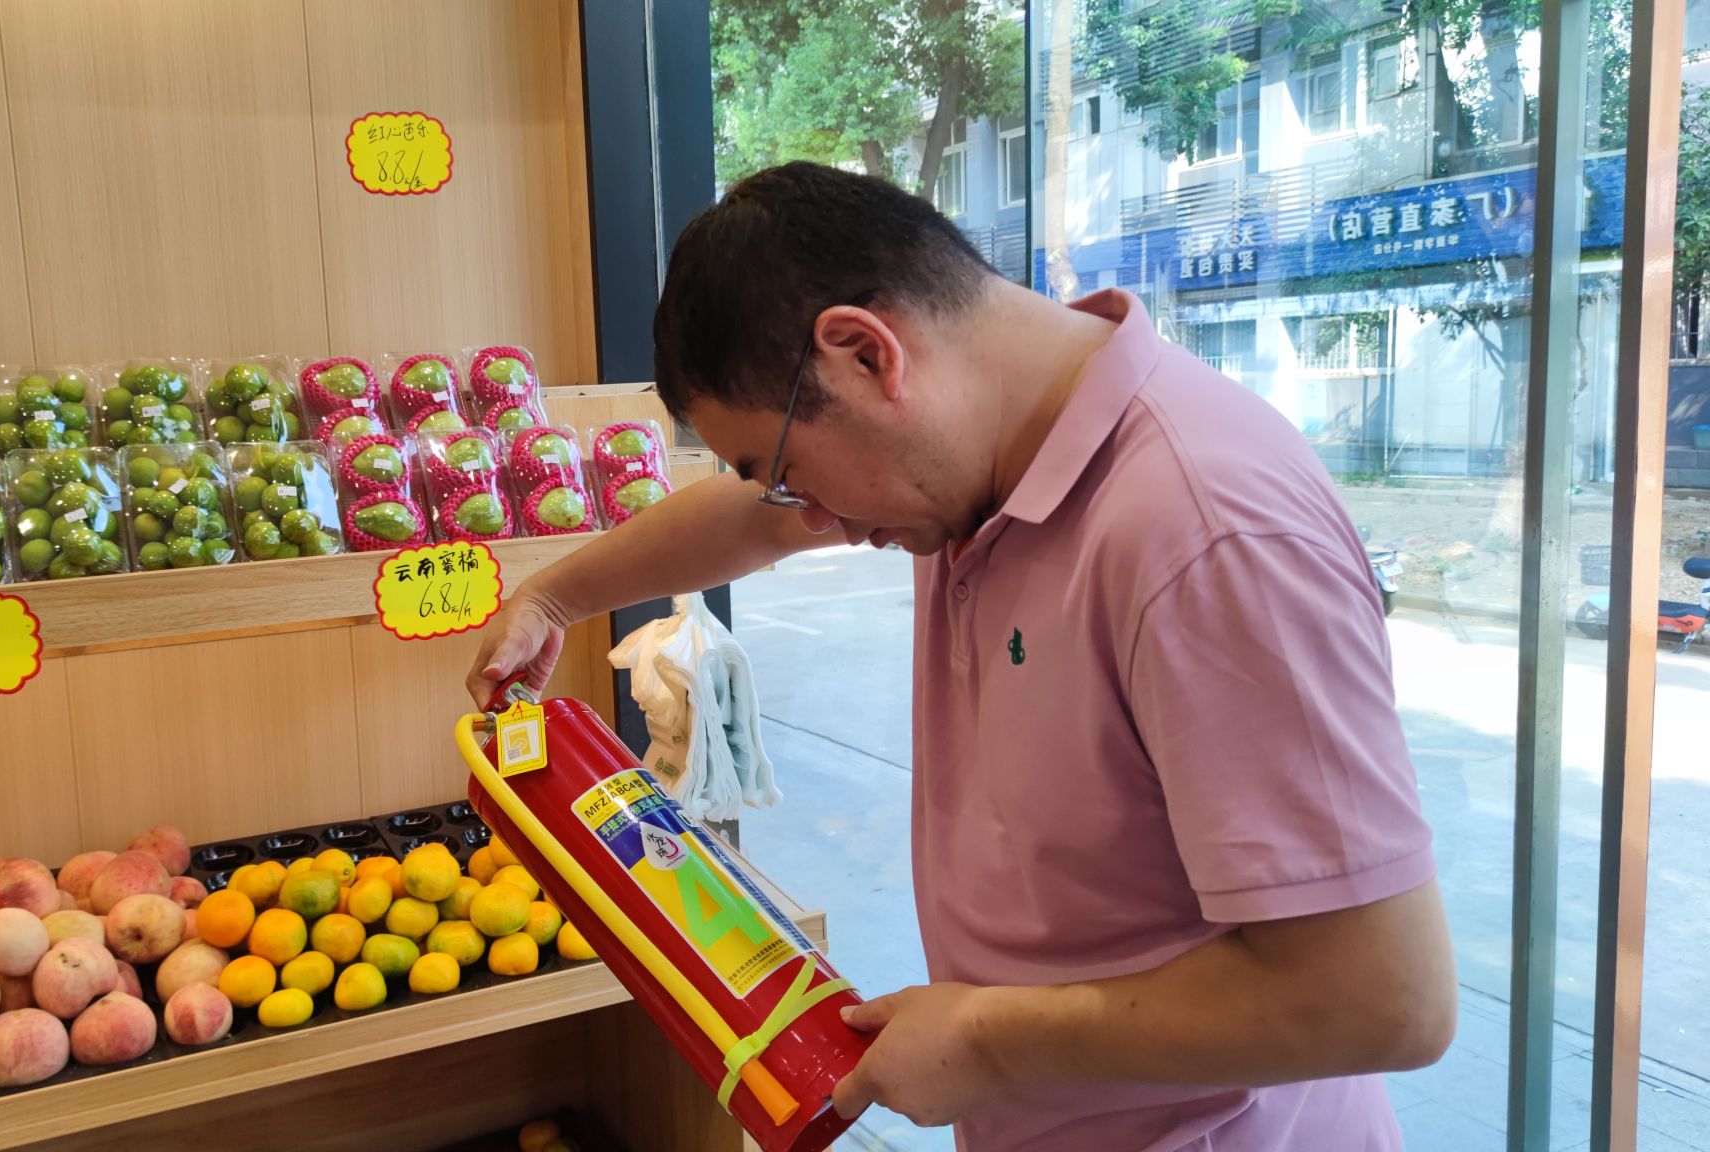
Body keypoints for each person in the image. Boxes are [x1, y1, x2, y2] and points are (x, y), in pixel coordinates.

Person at [466, 162, 1455, 1150]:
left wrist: (989, 1040)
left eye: (792, 475)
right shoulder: (985, 451)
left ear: (865, 353)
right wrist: (551, 598)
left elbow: (1381, 998)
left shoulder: (1207, 532)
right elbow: (747, 520)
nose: (814, 520)